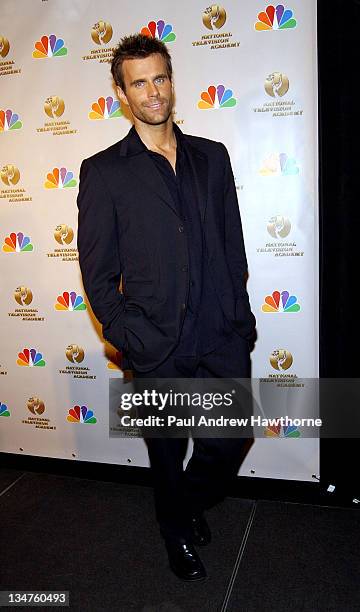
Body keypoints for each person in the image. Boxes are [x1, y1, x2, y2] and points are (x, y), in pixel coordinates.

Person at [77, 34, 256, 582]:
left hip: (219, 331)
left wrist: (240, 317)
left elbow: (232, 243)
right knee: (166, 450)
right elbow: (98, 271)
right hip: (155, 342)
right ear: (121, 92)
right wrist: (128, 333)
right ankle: (174, 530)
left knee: (232, 435)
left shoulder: (212, 156)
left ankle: (183, 505)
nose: (152, 92)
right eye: (139, 83)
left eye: (160, 78)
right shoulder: (104, 171)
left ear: (171, 80)